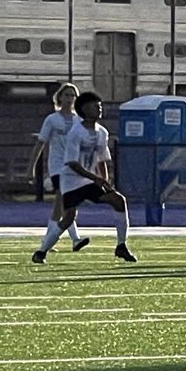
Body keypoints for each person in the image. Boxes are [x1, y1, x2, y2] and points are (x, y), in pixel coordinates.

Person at [31, 90, 137, 264]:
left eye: (100, 105)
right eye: (95, 106)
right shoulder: (76, 132)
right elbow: (72, 163)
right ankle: (41, 252)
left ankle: (121, 246)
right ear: (84, 109)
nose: (99, 108)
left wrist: (105, 181)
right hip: (71, 180)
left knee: (118, 200)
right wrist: (96, 179)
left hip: (88, 179)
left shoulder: (102, 132)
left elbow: (102, 160)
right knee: (68, 218)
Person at [29, 82, 90, 254]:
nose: (70, 99)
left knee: (64, 204)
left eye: (73, 96)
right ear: (60, 97)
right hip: (57, 166)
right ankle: (73, 239)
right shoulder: (52, 120)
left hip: (74, 167)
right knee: (63, 200)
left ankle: (50, 240)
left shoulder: (80, 121)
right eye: (67, 95)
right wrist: (31, 167)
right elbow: (41, 143)